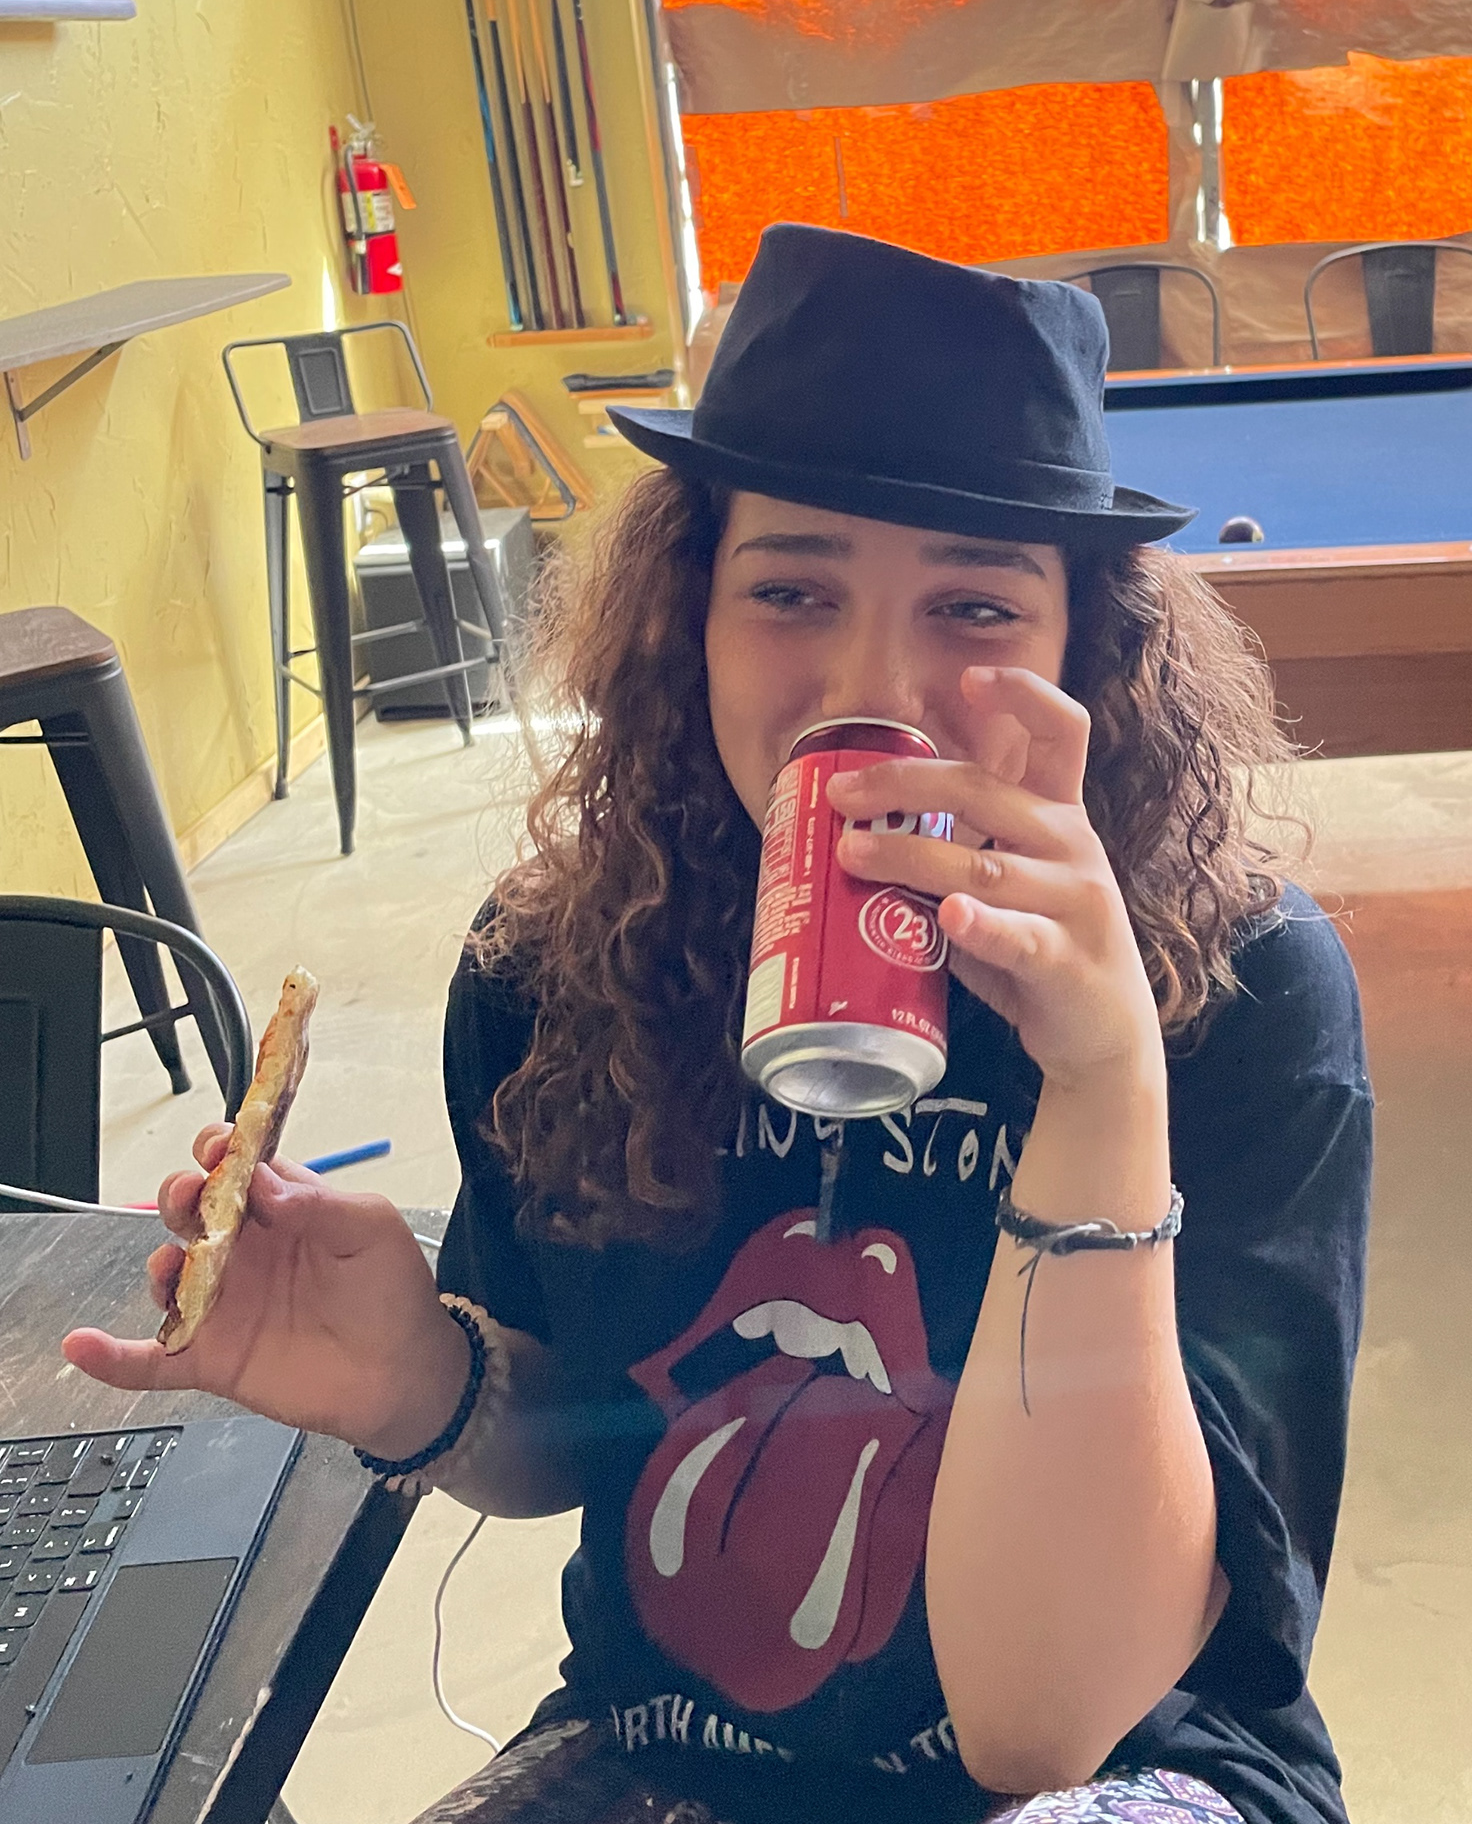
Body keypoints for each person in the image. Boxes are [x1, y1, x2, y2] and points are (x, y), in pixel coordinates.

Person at [68, 226, 1372, 1824]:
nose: (870, 682)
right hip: (667, 1750)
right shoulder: (553, 963)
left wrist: (1101, 1085)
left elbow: (1046, 1729)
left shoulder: (1237, 988)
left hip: (1140, 1762)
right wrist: (417, 1374)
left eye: (974, 604)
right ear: (690, 612)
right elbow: (580, 1432)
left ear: (1080, 651)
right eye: (792, 589)